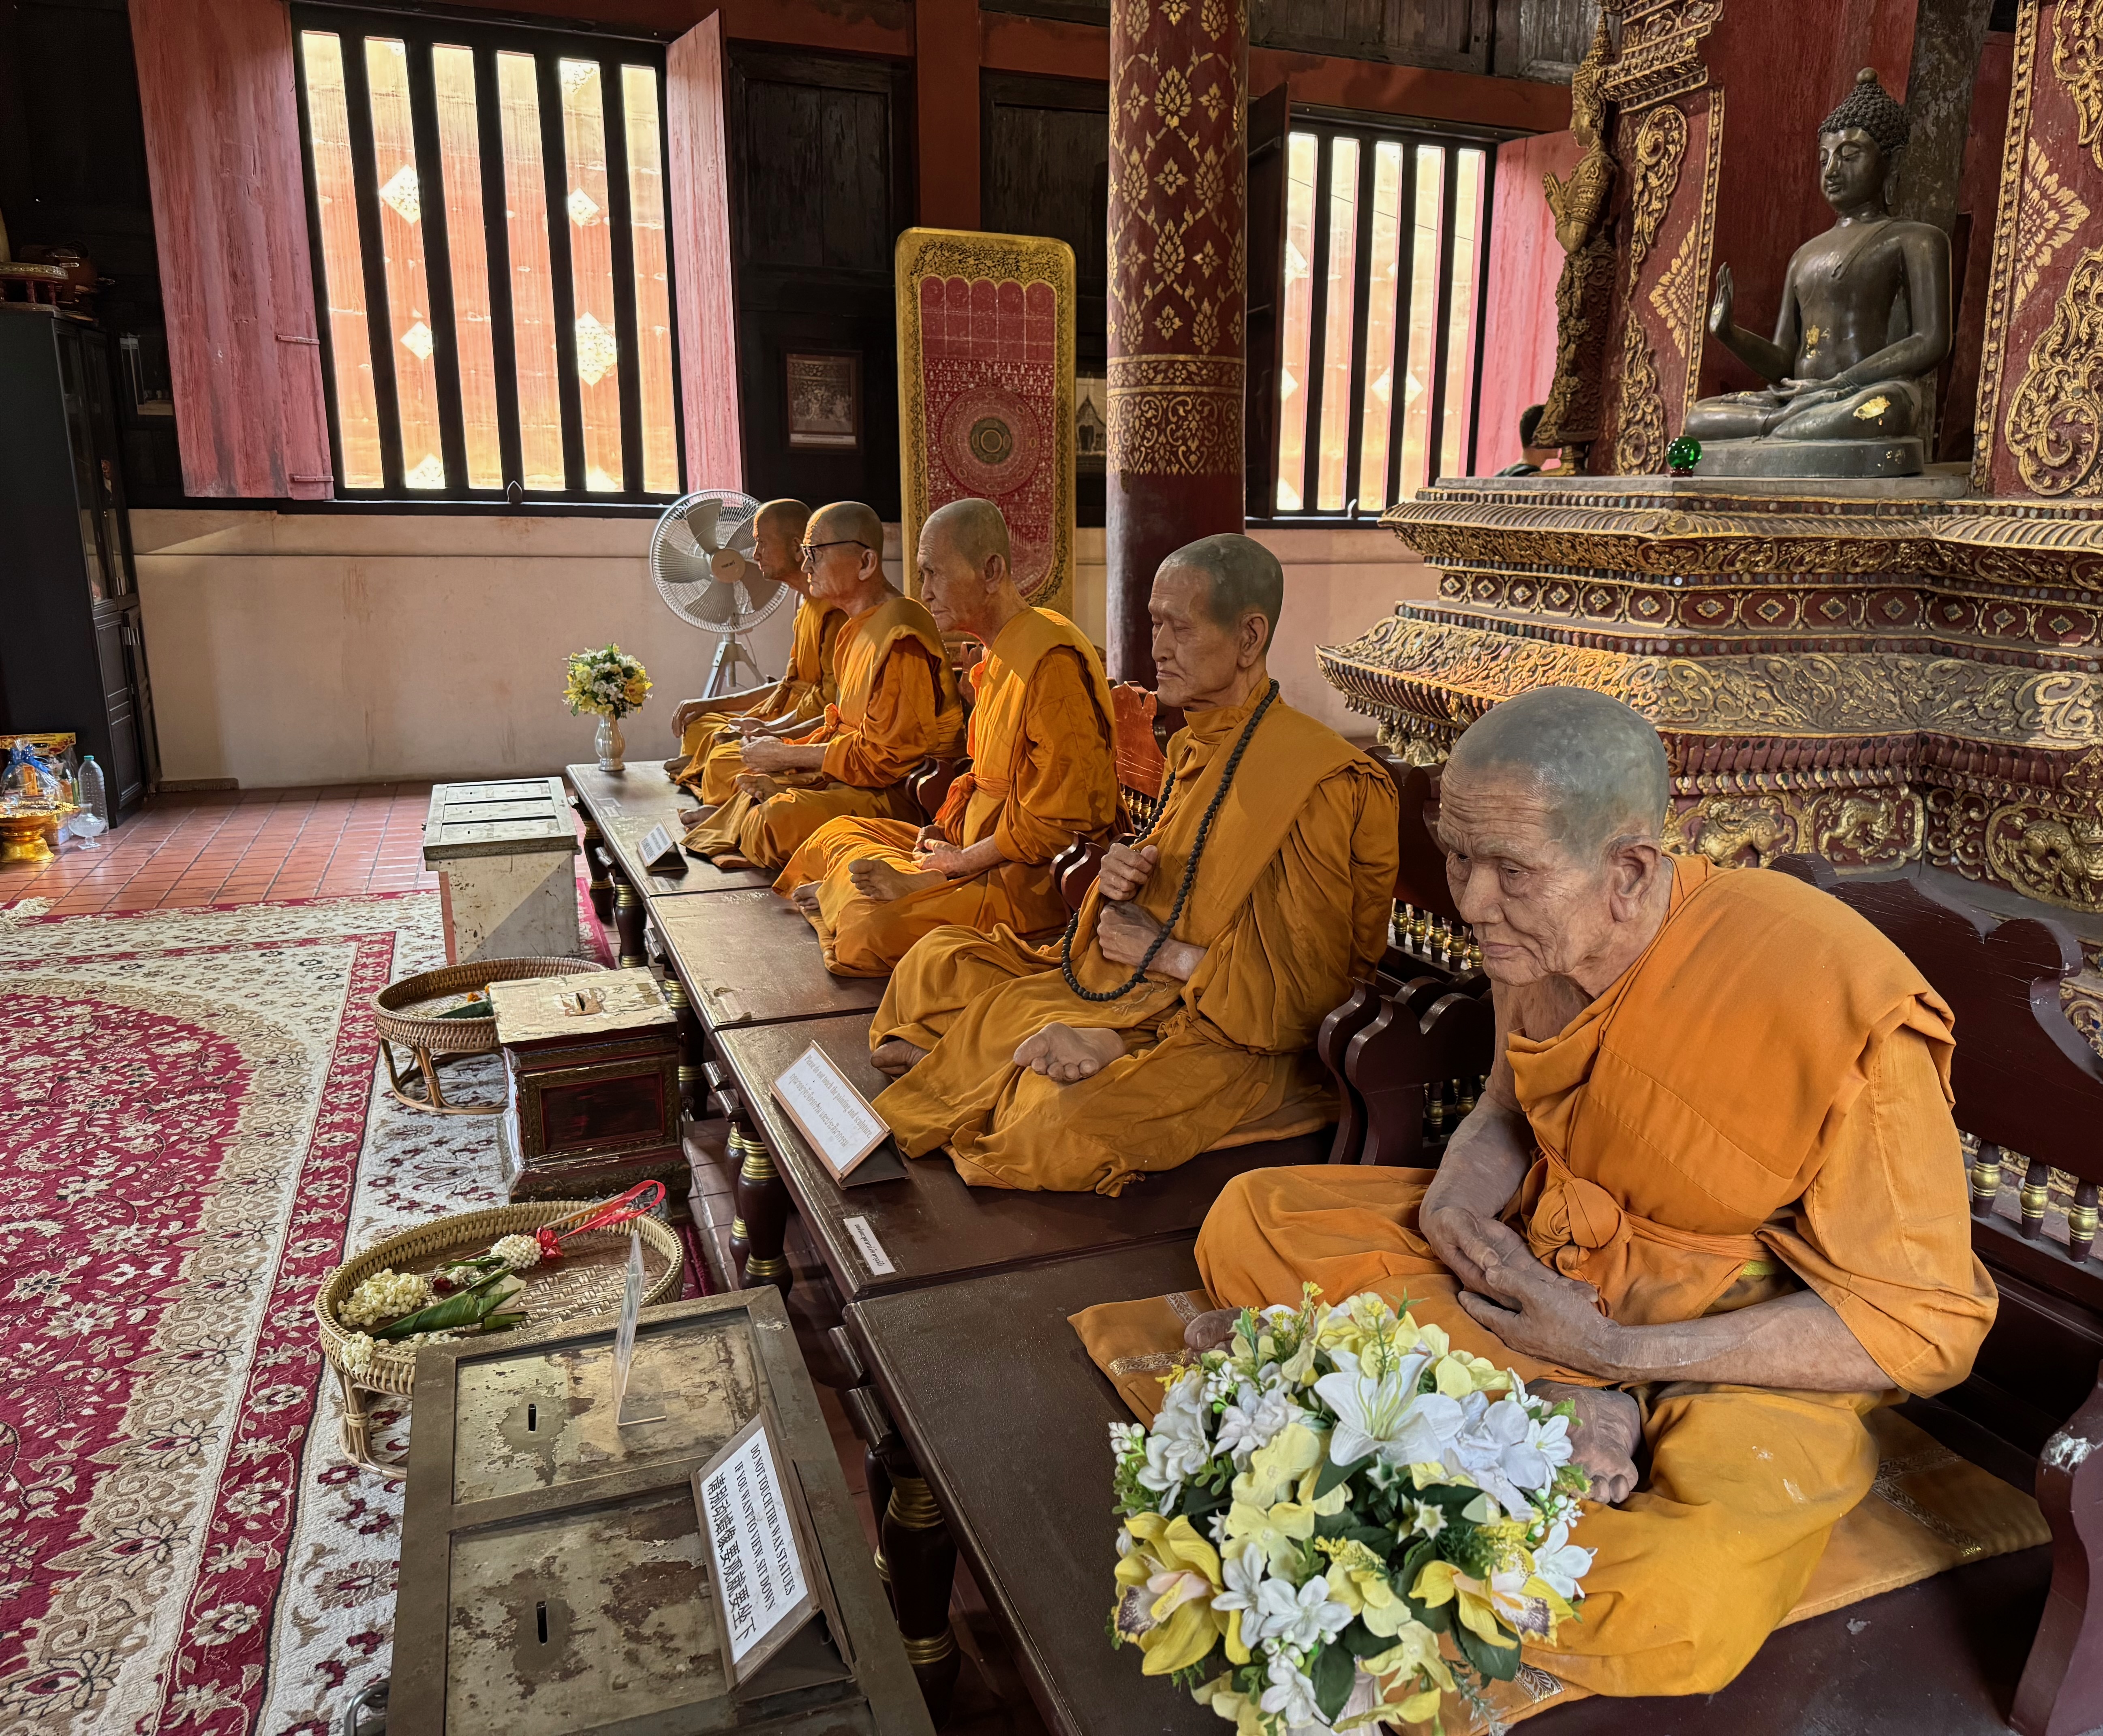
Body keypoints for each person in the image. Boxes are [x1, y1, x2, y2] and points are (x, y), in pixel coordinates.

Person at [1189, 686, 1996, 1698]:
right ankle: (1554, 1404)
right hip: (1543, 1278)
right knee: (1251, 1219)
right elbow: (1503, 1113)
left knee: (1669, 1602)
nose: (1472, 901)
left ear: (1627, 873)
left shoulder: (1833, 996)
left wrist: (1622, 1351)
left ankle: (1439, 1393)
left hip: (1727, 1349)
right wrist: (1453, 1206)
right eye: (1458, 858)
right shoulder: (1537, 938)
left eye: (1511, 872)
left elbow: (1926, 1327)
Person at [865, 533, 1397, 1195]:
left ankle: (988, 1072)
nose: (1159, 646)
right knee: (933, 963)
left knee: (1050, 1125)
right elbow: (1178, 882)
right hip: (1125, 983)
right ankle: (991, 1071)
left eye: (1181, 626)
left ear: (1249, 636)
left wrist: (1165, 956)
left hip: (1234, 1036)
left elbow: (1308, 998)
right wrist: (1117, 879)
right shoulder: (1196, 746)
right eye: (1154, 623)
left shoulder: (1320, 782)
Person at [776, 498, 1119, 975]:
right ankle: (850, 894)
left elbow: (1060, 824)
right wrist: (944, 839)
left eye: (934, 573)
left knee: (865, 931)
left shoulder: (1049, 662)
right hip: (976, 847)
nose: (924, 590)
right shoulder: (997, 652)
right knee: (832, 836)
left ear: (991, 570)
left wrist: (960, 862)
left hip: (1027, 879)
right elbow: (982, 779)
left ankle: (855, 900)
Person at [1683, 70, 1950, 461]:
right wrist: (1729, 333)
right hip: (1799, 399)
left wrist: (1841, 385)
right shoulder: (1805, 255)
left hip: (1864, 393)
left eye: (1849, 156)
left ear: (1891, 163)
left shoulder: (1917, 239)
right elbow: (1782, 361)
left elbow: (1931, 341)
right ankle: (1785, 427)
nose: (1832, 171)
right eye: (1824, 158)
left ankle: (1774, 433)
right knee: (1699, 418)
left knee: (1881, 412)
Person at [681, 502, 963, 872]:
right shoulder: (858, 625)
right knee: (758, 784)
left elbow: (890, 758)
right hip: (856, 775)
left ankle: (744, 821)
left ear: (865, 563)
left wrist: (790, 758)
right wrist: (788, 755)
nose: (805, 565)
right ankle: (743, 816)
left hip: (900, 793)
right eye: (805, 554)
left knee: (772, 821)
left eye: (815, 553)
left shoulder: (899, 634)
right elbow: (837, 721)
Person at [663, 499, 848, 805]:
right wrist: (709, 704)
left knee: (724, 755)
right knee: (700, 725)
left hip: (807, 728)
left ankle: (707, 772)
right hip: (786, 713)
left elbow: (829, 704)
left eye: (762, 543)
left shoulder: (834, 610)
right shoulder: (804, 601)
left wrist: (772, 732)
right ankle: (704, 768)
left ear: (794, 546)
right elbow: (790, 685)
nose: (755, 554)